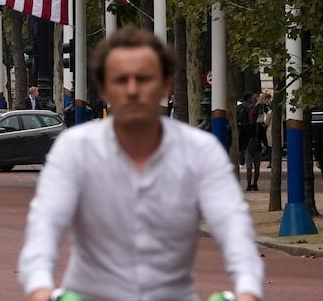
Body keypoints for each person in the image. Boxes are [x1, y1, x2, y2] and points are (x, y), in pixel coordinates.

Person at [17, 27, 262, 301]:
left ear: (165, 85)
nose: (132, 90)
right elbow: (46, 223)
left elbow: (233, 224)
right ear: (104, 88)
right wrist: (39, 288)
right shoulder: (75, 148)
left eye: (144, 79)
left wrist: (248, 289)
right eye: (121, 80)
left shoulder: (200, 151)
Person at [244, 93, 269, 191]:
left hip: (249, 148)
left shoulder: (246, 127)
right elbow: (263, 138)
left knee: (249, 167)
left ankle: (250, 184)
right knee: (255, 167)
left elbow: (242, 139)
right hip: (256, 148)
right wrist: (266, 146)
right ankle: (253, 184)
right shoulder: (260, 127)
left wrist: (241, 150)